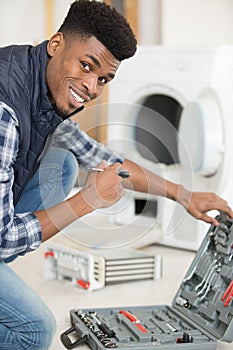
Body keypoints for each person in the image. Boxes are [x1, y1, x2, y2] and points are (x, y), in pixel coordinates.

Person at [0, 0, 232, 348]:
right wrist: (87, 200)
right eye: (87, 65)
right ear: (56, 44)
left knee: (63, 165)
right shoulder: (6, 108)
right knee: (34, 329)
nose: (92, 87)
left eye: (104, 78)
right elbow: (3, 237)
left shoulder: (41, 84)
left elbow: (104, 158)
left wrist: (184, 195)